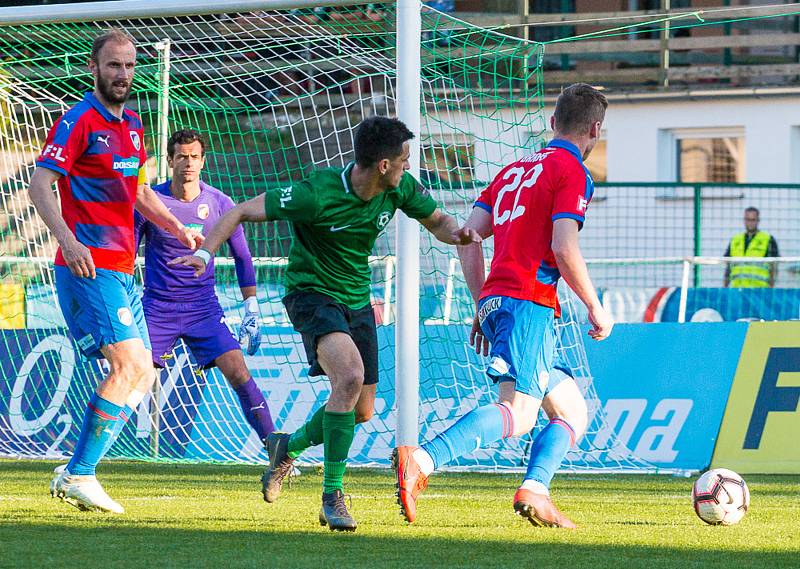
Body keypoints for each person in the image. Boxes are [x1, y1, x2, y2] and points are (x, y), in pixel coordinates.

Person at [170, 116, 479, 531]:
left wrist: (459, 234)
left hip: (356, 301)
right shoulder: (316, 193)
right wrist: (206, 255)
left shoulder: (399, 188)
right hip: (311, 295)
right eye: (404, 161)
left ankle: (287, 446)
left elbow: (437, 220)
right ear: (383, 165)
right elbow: (240, 211)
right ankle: (332, 496)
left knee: (362, 411)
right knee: (348, 378)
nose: (408, 167)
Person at [393, 83, 614, 529]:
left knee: (571, 410)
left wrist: (482, 304)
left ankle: (535, 490)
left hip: (501, 301)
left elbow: (467, 238)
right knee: (519, 412)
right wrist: (595, 305)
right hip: (529, 303)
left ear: (552, 123)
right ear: (594, 129)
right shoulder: (572, 171)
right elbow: (564, 247)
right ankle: (423, 459)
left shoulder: (511, 171)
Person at [29, 29, 202, 513]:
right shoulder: (78, 120)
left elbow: (140, 191)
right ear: (95, 68)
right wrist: (67, 239)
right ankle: (81, 473)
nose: (122, 74)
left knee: (143, 373)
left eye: (128, 66)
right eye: (113, 66)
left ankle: (75, 469)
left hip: (123, 269)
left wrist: (176, 227)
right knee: (127, 366)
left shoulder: (134, 126)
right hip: (89, 267)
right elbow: (40, 186)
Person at [134, 129, 275, 455]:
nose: (188, 163)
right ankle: (86, 463)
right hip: (158, 308)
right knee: (131, 378)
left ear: (203, 161)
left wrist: (251, 305)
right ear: (169, 160)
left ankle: (277, 454)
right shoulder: (149, 202)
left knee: (239, 372)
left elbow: (242, 256)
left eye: (194, 157)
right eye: (181, 156)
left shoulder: (220, 203)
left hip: (203, 309)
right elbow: (128, 252)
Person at [724, 206, 779, 288]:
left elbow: (773, 267)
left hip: (759, 291)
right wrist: (725, 288)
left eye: (753, 220)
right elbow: (728, 267)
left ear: (758, 220)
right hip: (737, 290)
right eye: (747, 219)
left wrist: (770, 290)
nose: (750, 223)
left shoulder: (768, 239)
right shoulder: (735, 240)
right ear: (744, 220)